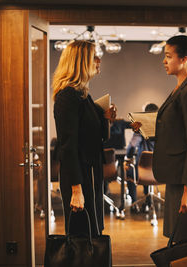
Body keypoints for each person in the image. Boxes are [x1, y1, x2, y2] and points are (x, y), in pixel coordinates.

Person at [133, 36, 187, 264]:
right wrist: (148, 128)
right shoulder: (182, 87)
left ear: (183, 60)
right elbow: (177, 131)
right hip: (179, 177)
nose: (164, 61)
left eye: (168, 56)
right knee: (183, 242)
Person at [53, 40, 116, 236]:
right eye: (94, 57)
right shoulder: (68, 97)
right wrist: (76, 189)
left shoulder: (83, 95)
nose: (99, 60)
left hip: (91, 173)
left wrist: (106, 119)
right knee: (82, 236)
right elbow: (68, 147)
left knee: (93, 233)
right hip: (80, 178)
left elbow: (99, 139)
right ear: (80, 62)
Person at [125, 103, 158, 213]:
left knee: (130, 170)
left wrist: (128, 159)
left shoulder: (140, 129)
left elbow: (132, 146)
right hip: (160, 172)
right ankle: (148, 199)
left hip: (143, 172)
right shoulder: (164, 128)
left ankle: (134, 203)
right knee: (147, 167)